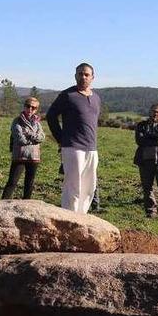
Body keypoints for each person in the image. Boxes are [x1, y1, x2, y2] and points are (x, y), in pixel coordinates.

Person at [46, 63, 101, 213]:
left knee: (89, 186)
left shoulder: (96, 98)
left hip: (91, 148)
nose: (83, 77)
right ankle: (69, 219)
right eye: (80, 74)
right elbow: (51, 116)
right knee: (73, 186)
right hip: (73, 147)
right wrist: (61, 139)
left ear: (92, 77)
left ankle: (81, 218)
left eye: (86, 74)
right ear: (75, 76)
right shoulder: (67, 95)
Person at [1, 97, 45, 199]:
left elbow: (42, 137)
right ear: (24, 106)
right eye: (28, 106)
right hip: (20, 156)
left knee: (29, 183)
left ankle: (27, 205)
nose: (30, 109)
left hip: (34, 157)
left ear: (36, 109)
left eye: (33, 108)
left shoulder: (37, 123)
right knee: (12, 182)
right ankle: (2, 204)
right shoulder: (17, 121)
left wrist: (29, 134)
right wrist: (34, 138)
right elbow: (21, 139)